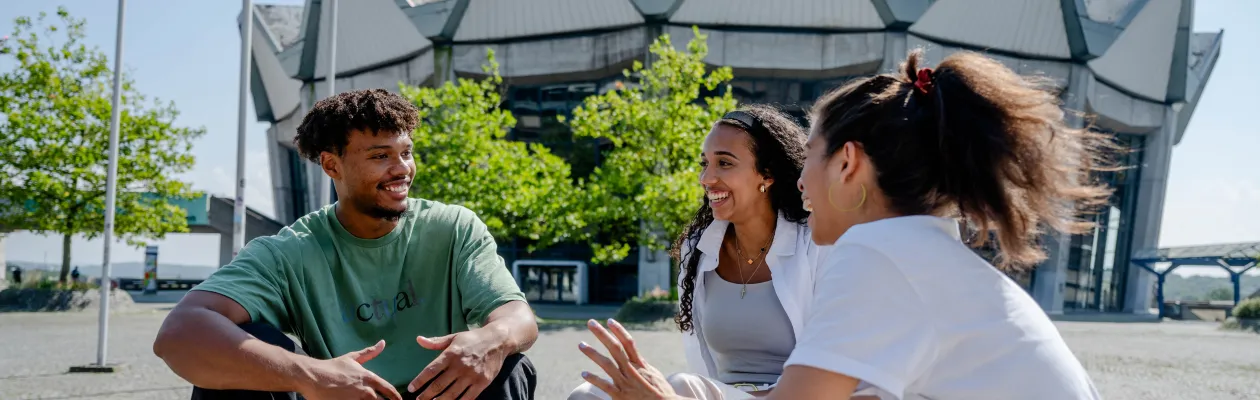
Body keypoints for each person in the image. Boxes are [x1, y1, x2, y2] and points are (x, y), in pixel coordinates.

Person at [574, 48, 1110, 400]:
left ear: (848, 163)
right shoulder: (921, 252)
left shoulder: (879, 256)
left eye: (810, 156)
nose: (800, 181)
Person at [153, 89, 539, 400]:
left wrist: (492, 338)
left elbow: (518, 317)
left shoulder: (453, 227)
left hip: (440, 394)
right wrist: (311, 375)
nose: (402, 168)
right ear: (331, 165)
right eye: (380, 156)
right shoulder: (288, 252)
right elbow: (179, 332)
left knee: (507, 362)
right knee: (244, 353)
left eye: (406, 152)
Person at [569, 105, 833, 400]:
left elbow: (833, 372)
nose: (706, 178)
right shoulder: (698, 248)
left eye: (724, 163)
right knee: (588, 395)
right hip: (717, 393)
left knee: (683, 385)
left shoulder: (816, 243)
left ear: (767, 175)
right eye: (704, 163)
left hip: (790, 395)